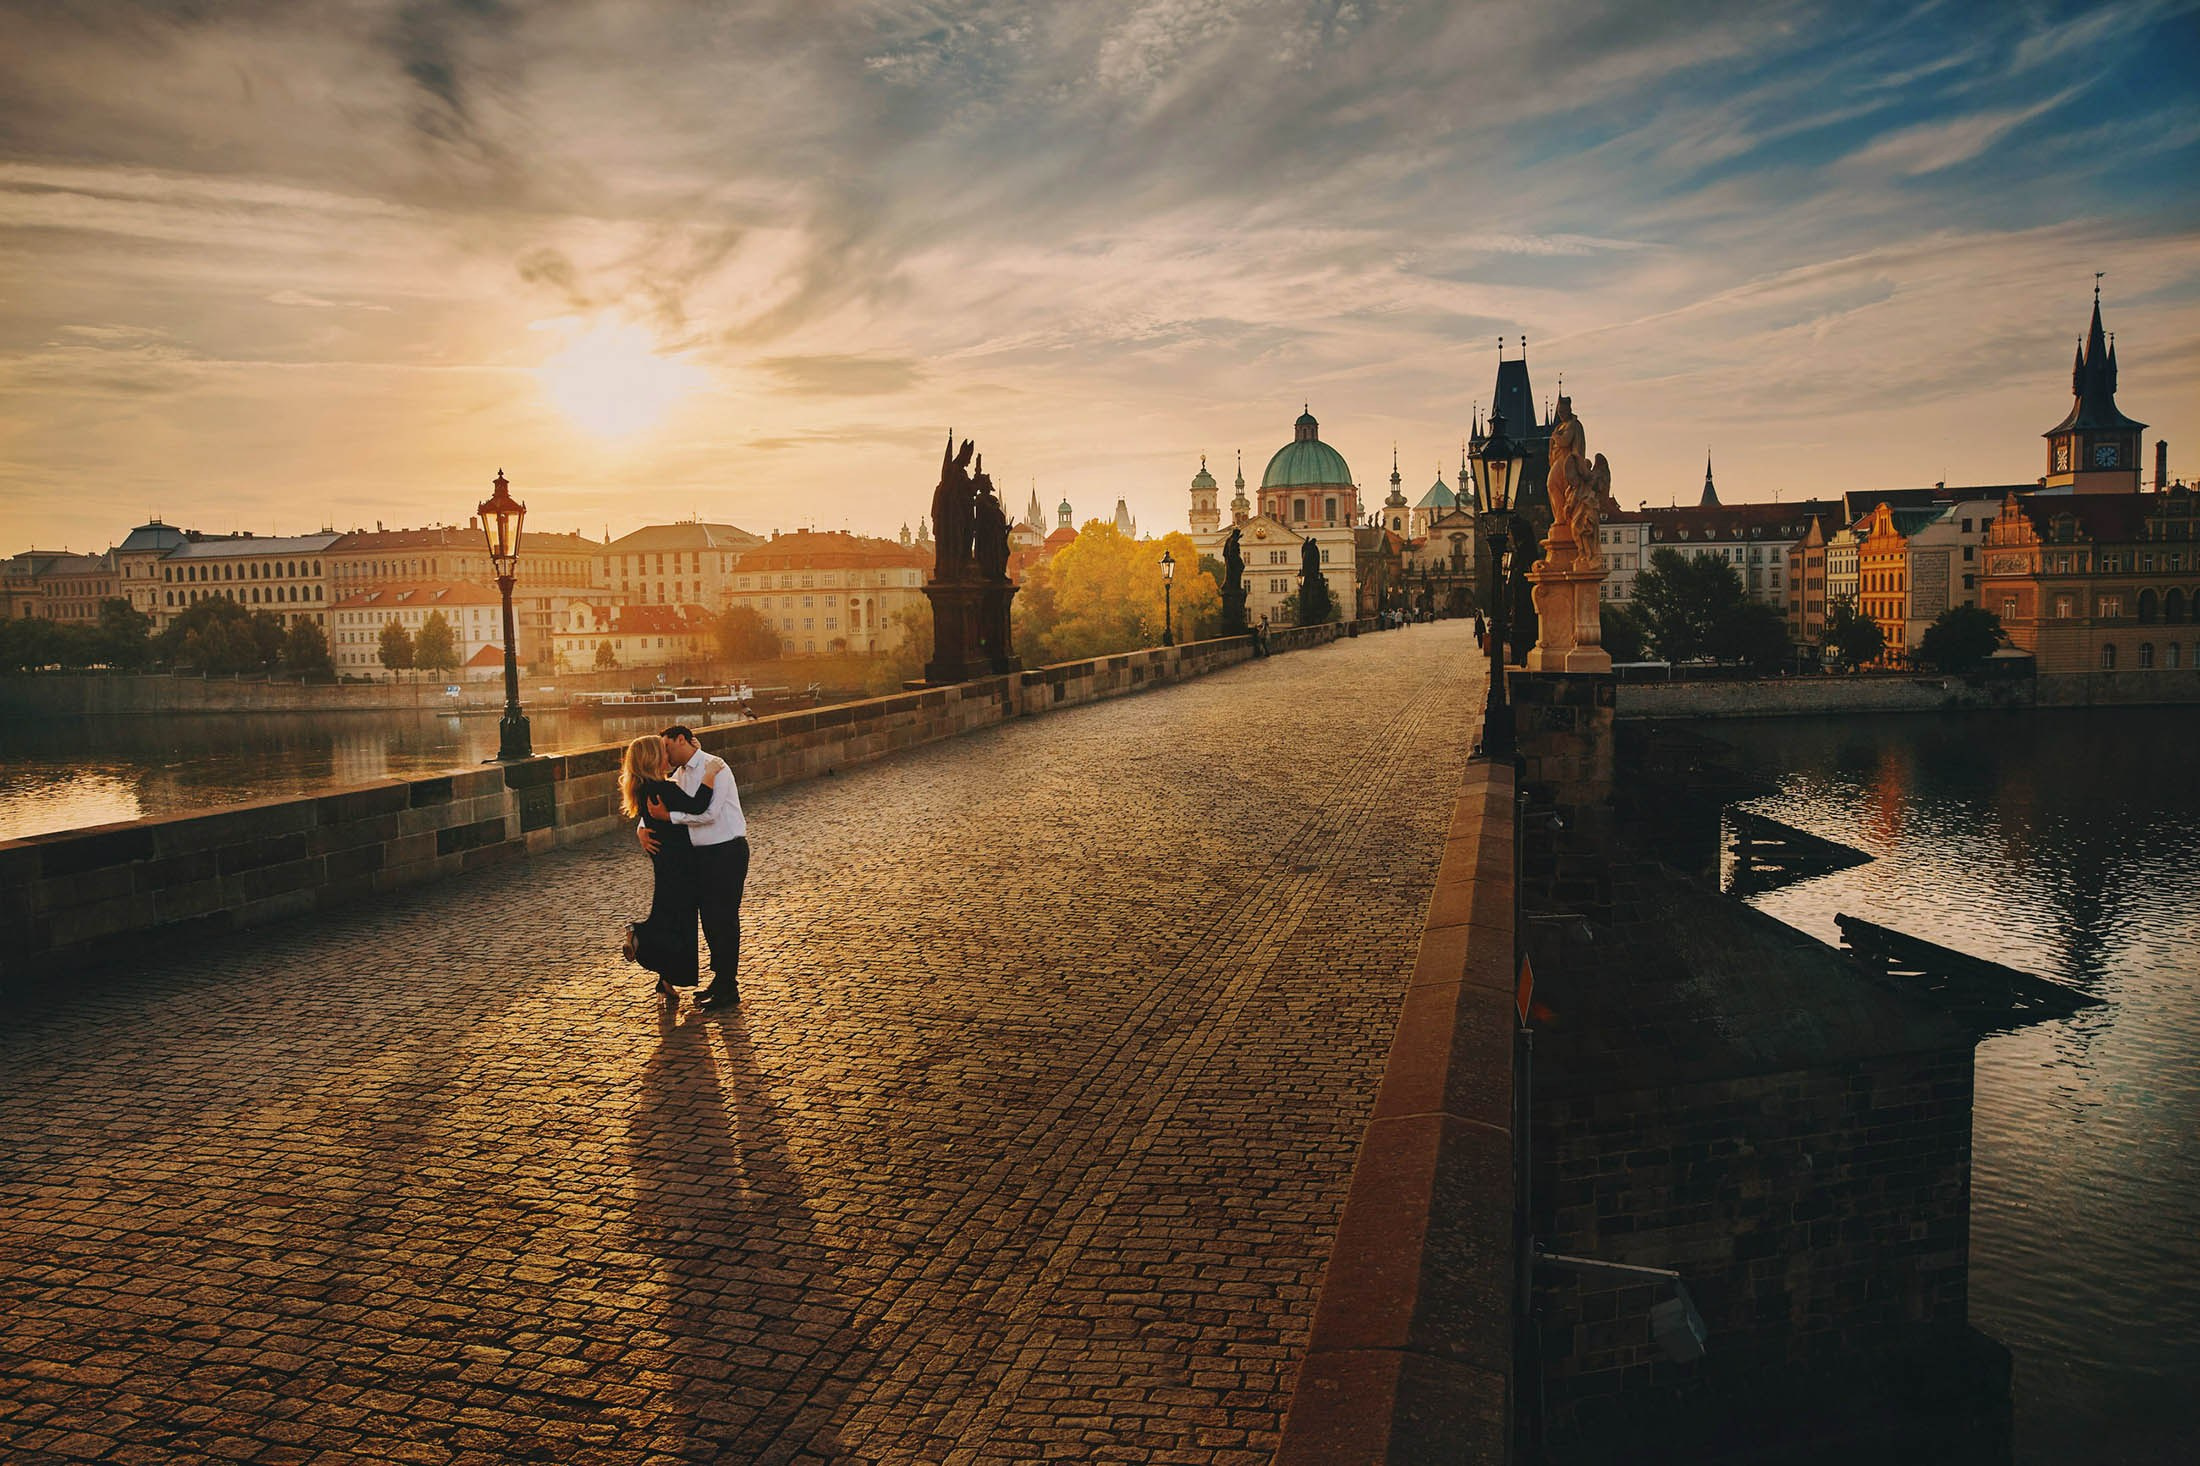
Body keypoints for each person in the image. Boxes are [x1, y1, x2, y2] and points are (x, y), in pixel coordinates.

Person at [640, 725, 750, 1011]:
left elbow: (710, 813)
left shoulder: (717, 767)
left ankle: (729, 986)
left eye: (667, 747)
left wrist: (670, 817)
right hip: (699, 856)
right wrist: (642, 828)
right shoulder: (678, 774)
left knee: (724, 919)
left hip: (726, 850)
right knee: (709, 921)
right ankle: (720, 979)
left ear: (682, 740)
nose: (664, 754)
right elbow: (657, 799)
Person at [617, 734, 717, 1006]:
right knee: (678, 921)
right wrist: (710, 772)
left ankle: (665, 981)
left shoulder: (643, 788)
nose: (669, 757)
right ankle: (638, 934)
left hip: (664, 860)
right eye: (663, 752)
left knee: (670, 916)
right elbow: (698, 806)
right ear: (653, 758)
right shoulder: (665, 790)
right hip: (680, 863)